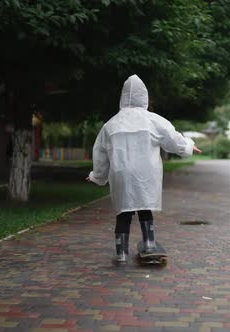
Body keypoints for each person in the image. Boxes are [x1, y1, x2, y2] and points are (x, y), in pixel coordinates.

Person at [86, 75, 201, 263]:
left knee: (124, 212)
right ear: (144, 96)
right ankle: (149, 243)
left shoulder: (111, 124)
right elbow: (173, 139)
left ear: (123, 97)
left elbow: (100, 154)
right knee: (144, 207)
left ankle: (121, 253)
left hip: (121, 173)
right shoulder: (153, 120)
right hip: (146, 172)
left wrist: (97, 176)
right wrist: (188, 146)